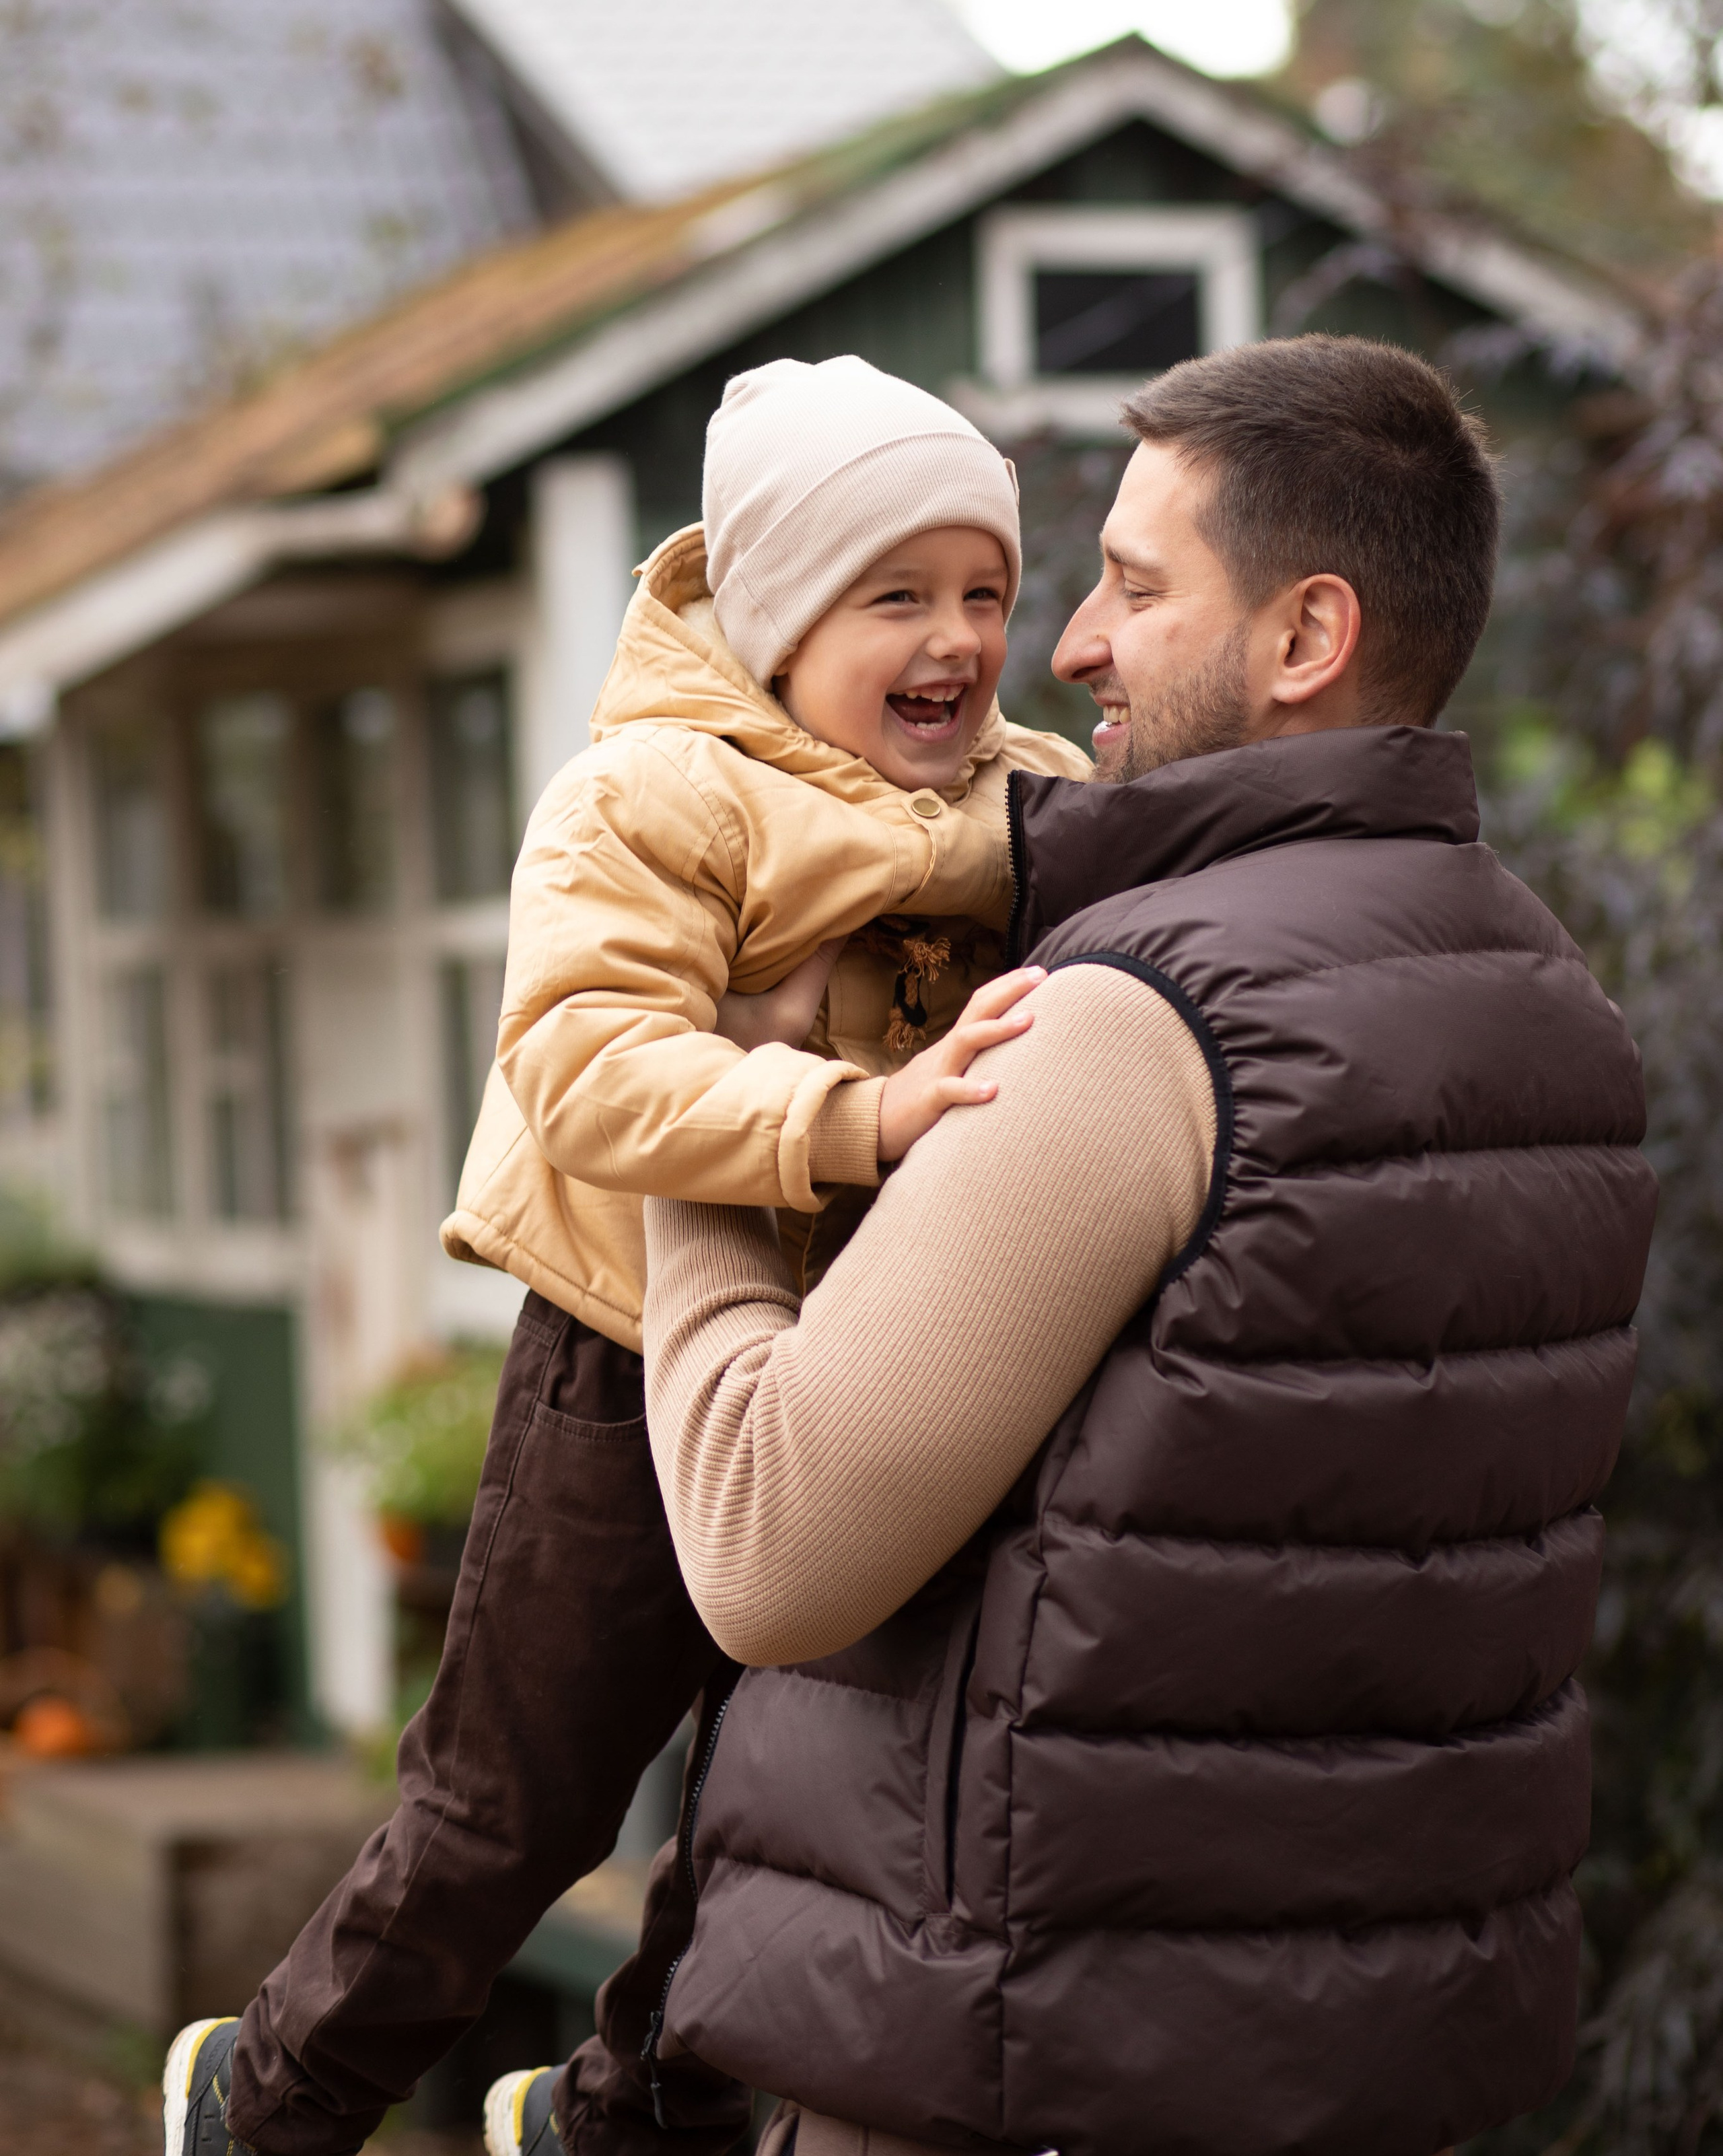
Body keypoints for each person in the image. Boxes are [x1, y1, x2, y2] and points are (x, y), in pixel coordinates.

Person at [625, 337, 1657, 2156]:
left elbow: (769, 1545)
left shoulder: (1139, 1027)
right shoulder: (1552, 1009)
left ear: (1302, 637)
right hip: (1371, 2079)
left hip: (1024, 2078)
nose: (1072, 644)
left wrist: (710, 1108)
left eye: (1136, 584)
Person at [162, 356, 1086, 2156]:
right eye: (896, 594)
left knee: (792, 1819)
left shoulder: (1025, 795)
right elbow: (585, 1061)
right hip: (626, 1356)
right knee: (522, 1801)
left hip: (862, 1382)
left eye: (987, 590)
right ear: (772, 611)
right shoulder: (659, 792)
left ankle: (611, 2123)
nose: (958, 638)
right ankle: (265, 2099)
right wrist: (858, 1118)